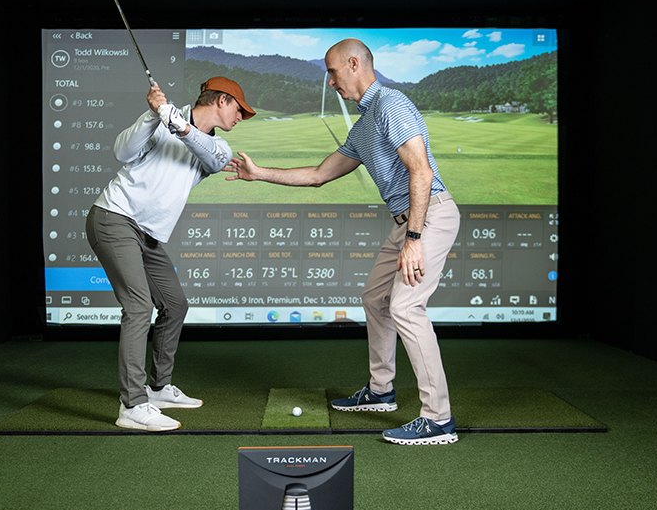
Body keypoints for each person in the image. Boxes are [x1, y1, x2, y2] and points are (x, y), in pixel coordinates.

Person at [225, 38, 460, 445]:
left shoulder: (391, 104)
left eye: (333, 72)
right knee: (375, 298)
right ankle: (381, 391)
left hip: (430, 215)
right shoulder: (365, 124)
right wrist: (260, 173)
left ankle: (438, 418)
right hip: (408, 220)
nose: (330, 81)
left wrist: (415, 238)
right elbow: (319, 174)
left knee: (406, 306)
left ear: (354, 64)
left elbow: (420, 171)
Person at [87, 77, 256, 431]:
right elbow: (122, 152)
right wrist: (154, 115)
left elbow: (208, 156)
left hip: (147, 235)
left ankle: (158, 388)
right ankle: (132, 405)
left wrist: (177, 123)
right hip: (115, 218)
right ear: (222, 101)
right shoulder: (159, 119)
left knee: (175, 304)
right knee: (138, 306)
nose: (241, 117)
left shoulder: (220, 147)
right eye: (239, 109)